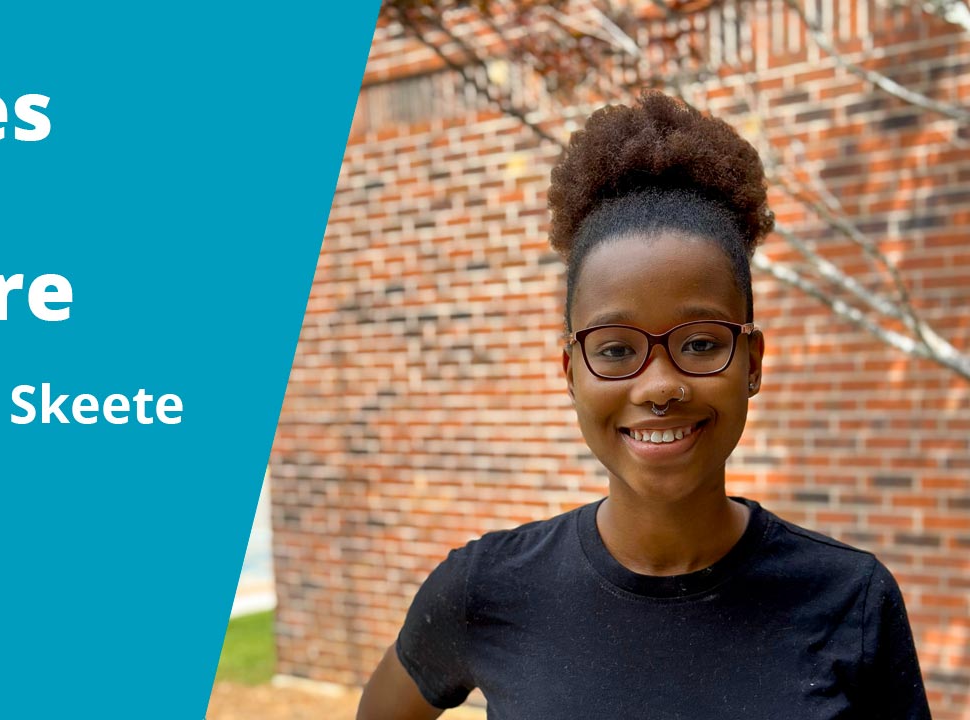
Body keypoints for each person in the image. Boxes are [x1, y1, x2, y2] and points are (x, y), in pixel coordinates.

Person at [356, 91, 931, 720]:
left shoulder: (851, 601)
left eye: (702, 342)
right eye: (616, 348)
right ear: (571, 371)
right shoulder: (488, 589)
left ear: (754, 363)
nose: (659, 386)